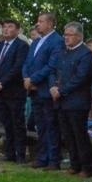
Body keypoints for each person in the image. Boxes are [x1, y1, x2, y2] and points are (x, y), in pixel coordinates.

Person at [50, 23, 92, 176]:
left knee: (79, 135)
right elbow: (54, 71)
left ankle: (86, 167)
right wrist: (53, 86)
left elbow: (80, 78)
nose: (66, 38)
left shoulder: (86, 54)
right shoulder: (63, 52)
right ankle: (74, 164)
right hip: (61, 101)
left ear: (80, 36)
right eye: (65, 34)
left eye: (70, 35)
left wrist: (61, 90)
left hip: (77, 102)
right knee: (68, 135)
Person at [24, 12, 63, 168]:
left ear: (50, 23)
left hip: (46, 89)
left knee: (50, 125)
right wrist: (26, 78)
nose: (37, 24)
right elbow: (27, 62)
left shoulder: (57, 41)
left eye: (41, 21)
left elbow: (52, 65)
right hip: (34, 90)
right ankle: (42, 157)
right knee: (40, 125)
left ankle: (53, 159)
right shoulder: (36, 42)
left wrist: (33, 79)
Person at [0, 19, 29, 163]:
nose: (6, 29)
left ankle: (20, 154)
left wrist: (1, 82)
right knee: (6, 123)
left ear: (17, 30)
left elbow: (17, 68)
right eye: (4, 27)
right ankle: (10, 152)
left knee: (17, 123)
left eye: (10, 27)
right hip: (0, 92)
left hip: (14, 91)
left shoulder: (22, 46)